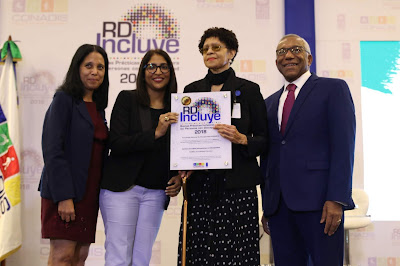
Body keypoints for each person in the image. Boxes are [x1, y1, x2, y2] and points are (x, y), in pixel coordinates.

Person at [260, 34, 356, 266]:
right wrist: (268, 205)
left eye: (296, 50)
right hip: (280, 207)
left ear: (309, 58)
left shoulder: (333, 89)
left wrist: (336, 199)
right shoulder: (269, 103)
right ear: (276, 63)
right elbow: (269, 157)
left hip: (321, 205)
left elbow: (344, 147)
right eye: (282, 52)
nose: (289, 55)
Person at [177, 27, 268, 266]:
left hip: (238, 187)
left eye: (216, 47)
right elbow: (185, 139)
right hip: (201, 186)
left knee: (239, 254)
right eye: (205, 49)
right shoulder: (191, 91)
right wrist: (183, 163)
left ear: (232, 52)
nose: (209, 52)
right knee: (200, 255)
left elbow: (264, 140)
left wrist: (242, 139)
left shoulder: (249, 90)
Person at [99, 49, 182, 266]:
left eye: (164, 66)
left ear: (171, 72)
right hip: (122, 189)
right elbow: (116, 143)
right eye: (151, 66)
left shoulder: (179, 107)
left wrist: (178, 176)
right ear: (142, 71)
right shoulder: (127, 99)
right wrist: (155, 133)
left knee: (142, 258)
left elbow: (178, 149)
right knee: (118, 256)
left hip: (156, 192)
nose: (158, 72)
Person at [39, 44, 109, 265]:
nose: (94, 71)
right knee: (63, 256)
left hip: (89, 194)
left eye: (100, 67)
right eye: (88, 65)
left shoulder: (98, 107)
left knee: (80, 257)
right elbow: (52, 149)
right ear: (77, 68)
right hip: (65, 194)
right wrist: (63, 196)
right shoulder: (64, 99)